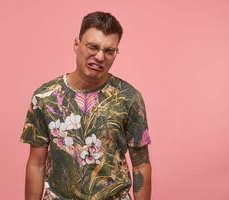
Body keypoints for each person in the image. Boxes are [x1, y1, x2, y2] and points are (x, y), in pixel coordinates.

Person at [20, 11, 152, 200]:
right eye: (93, 46)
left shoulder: (129, 98)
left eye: (109, 51)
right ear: (76, 44)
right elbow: (36, 164)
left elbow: (141, 164)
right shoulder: (45, 97)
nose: (99, 57)